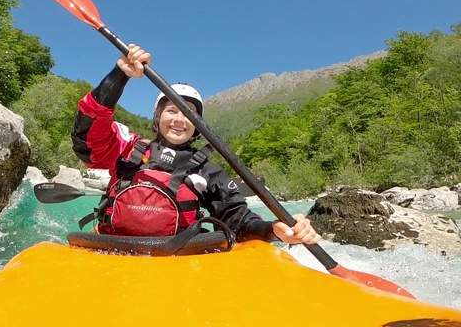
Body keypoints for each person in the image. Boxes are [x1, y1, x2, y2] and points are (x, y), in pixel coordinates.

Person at [71, 44, 320, 245]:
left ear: (197, 125)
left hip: (174, 260)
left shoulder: (206, 172)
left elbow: (239, 220)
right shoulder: (127, 147)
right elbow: (87, 136)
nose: (180, 120)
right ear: (157, 117)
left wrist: (274, 230)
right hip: (108, 248)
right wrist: (120, 75)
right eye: (172, 110)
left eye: (189, 114)